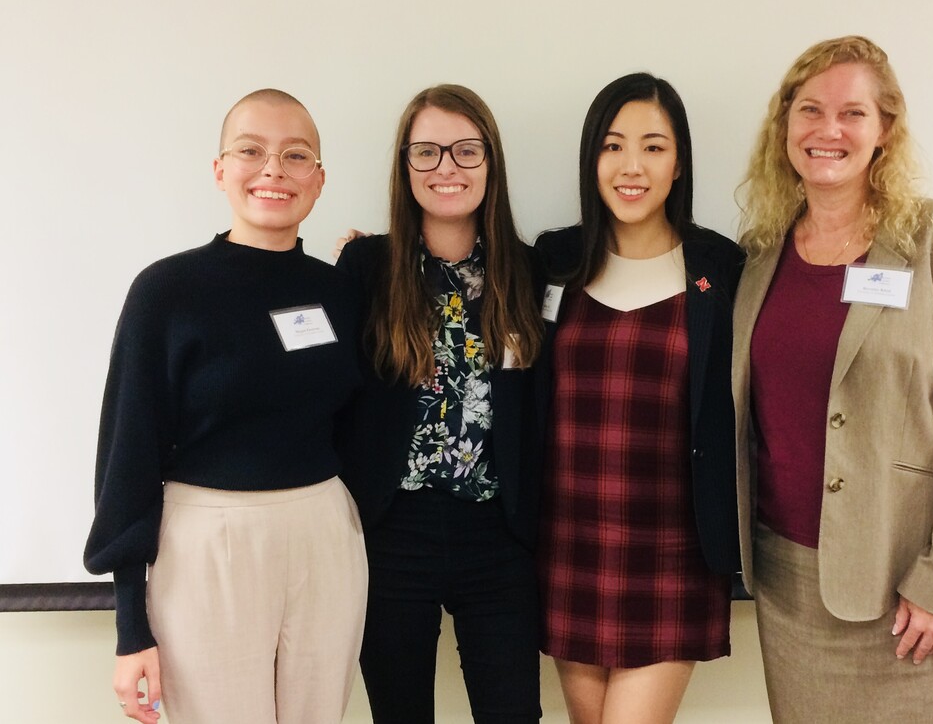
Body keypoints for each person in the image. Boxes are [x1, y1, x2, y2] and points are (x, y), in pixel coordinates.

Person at [732, 35, 933, 724]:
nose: (828, 130)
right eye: (809, 110)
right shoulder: (757, 256)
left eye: (853, 113)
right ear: (785, 126)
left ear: (885, 129)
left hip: (905, 588)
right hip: (787, 577)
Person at [83, 89, 367, 724]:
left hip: (324, 533)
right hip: (208, 541)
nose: (273, 170)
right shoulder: (166, 291)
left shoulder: (342, 292)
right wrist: (132, 629)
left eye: (296, 156)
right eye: (251, 150)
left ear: (319, 180)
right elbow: (126, 455)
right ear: (219, 170)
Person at [535, 73, 744, 724]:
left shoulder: (720, 267)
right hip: (570, 543)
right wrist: (372, 259)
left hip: (672, 550)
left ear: (678, 163)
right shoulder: (553, 259)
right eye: (613, 145)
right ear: (590, 157)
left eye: (653, 147)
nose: (632, 166)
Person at [335, 84, 545, 724]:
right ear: (404, 167)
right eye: (425, 153)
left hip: (497, 536)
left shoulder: (531, 272)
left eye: (464, 150)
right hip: (393, 534)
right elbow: (332, 395)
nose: (446, 168)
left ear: (491, 162)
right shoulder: (367, 266)